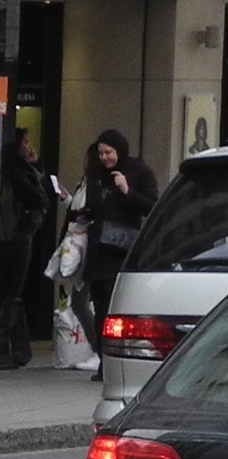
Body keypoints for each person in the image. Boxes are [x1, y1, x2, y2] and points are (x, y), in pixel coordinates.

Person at [73, 128, 159, 336]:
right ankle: (103, 362)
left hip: (121, 253)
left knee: (114, 313)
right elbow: (95, 207)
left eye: (108, 152)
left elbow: (151, 208)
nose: (104, 158)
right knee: (100, 311)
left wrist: (126, 190)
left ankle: (108, 362)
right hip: (97, 253)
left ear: (119, 150)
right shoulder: (97, 174)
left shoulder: (138, 171)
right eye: (101, 153)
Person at [0, 130, 49, 368]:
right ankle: (6, 346)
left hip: (19, 234)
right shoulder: (17, 172)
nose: (30, 147)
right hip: (18, 235)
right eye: (25, 142)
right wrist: (35, 170)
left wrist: (36, 165)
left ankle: (13, 347)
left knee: (13, 291)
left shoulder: (21, 169)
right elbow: (39, 196)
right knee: (13, 292)